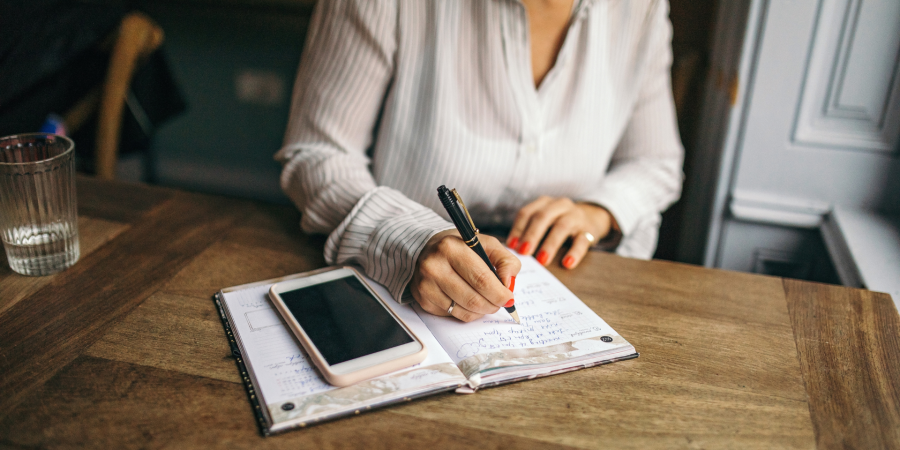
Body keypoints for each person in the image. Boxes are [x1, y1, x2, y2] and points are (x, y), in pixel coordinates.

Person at [276, 0, 684, 323]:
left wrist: (598, 213)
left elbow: (656, 162)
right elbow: (318, 154)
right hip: (397, 288)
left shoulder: (641, 8)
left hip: (574, 290)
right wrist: (412, 238)